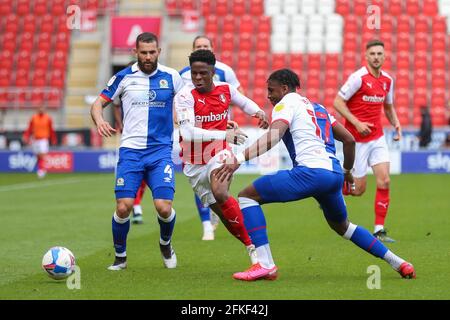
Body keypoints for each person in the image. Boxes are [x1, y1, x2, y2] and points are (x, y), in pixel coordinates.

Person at [216, 68, 415, 281]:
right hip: (333, 175)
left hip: (309, 173)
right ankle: (399, 263)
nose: (269, 96)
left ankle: (265, 265)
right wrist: (347, 172)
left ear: (284, 88)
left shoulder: (286, 103)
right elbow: (349, 139)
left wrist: (238, 159)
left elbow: (274, 136)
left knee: (247, 197)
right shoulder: (319, 108)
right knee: (343, 226)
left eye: (271, 90)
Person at [90, 32, 184, 271]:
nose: (148, 57)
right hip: (131, 151)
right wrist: (100, 120)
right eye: (143, 52)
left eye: (152, 52)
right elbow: (97, 103)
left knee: (164, 207)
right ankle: (120, 257)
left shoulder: (172, 77)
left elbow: (189, 104)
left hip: (160, 151)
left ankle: (165, 244)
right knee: (123, 207)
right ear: (136, 52)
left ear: (159, 52)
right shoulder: (123, 77)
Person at [174, 49, 269, 267]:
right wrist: (224, 133)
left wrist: (259, 113)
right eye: (194, 73)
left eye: (203, 73)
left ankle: (256, 249)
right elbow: (188, 133)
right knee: (224, 213)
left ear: (213, 72)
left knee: (220, 191)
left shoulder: (225, 89)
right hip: (194, 164)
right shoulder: (185, 96)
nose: (198, 78)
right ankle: (248, 244)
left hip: (218, 153)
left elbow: (244, 102)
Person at [333, 39, 401, 242]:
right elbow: (337, 102)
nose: (376, 57)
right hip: (357, 140)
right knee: (359, 190)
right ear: (366, 56)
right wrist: (357, 122)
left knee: (385, 180)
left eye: (380, 53)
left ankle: (379, 230)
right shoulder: (358, 78)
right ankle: (335, 188)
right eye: (373, 54)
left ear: (385, 56)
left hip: (377, 138)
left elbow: (388, 107)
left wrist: (396, 123)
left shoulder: (388, 80)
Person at [179, 35, 245, 241]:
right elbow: (182, 104)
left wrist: (226, 121)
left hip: (219, 135)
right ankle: (207, 223)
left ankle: (220, 217)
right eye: (198, 46)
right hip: (194, 137)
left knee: (218, 182)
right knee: (202, 181)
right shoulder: (182, 76)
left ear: (212, 50)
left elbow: (237, 96)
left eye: (205, 46)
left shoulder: (226, 72)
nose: (198, 77)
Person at [112, 91, 146, 225]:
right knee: (133, 176)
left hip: (150, 140)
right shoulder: (123, 83)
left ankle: (137, 206)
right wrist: (120, 124)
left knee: (144, 178)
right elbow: (115, 105)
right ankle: (136, 208)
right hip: (130, 140)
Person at [22, 106, 57, 178]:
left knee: (42, 154)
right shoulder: (34, 117)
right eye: (40, 108)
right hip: (35, 139)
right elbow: (29, 128)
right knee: (37, 156)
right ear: (37, 109)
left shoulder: (48, 118)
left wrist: (53, 138)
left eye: (42, 108)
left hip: (43, 139)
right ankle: (40, 169)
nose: (41, 109)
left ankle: (41, 170)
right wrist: (26, 135)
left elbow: (51, 129)